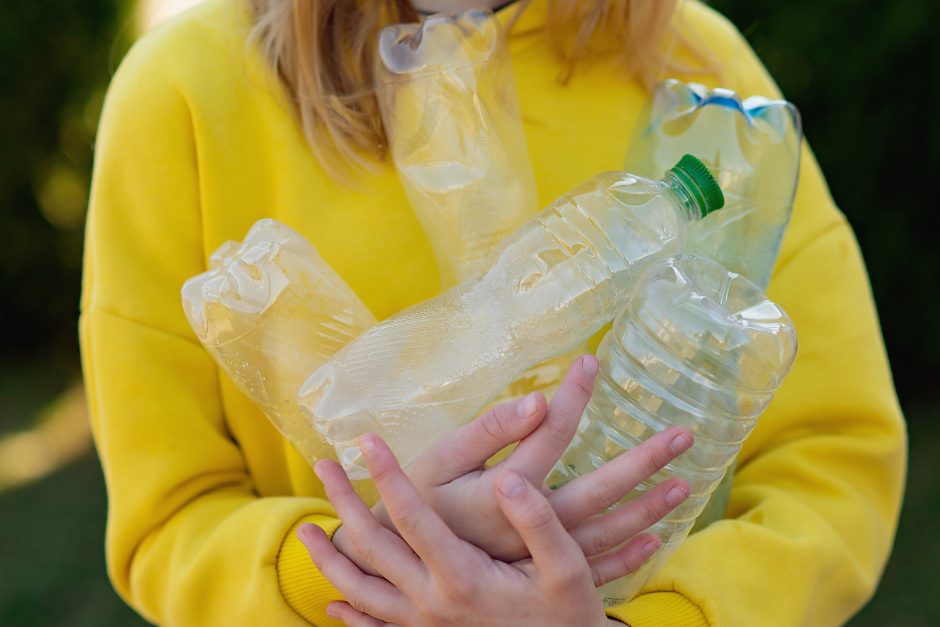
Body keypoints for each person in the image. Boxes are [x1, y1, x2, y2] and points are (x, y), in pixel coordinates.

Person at [80, 0, 906, 625]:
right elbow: (170, 519)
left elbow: (836, 456)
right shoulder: (184, 95)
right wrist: (375, 568)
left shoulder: (700, 71)